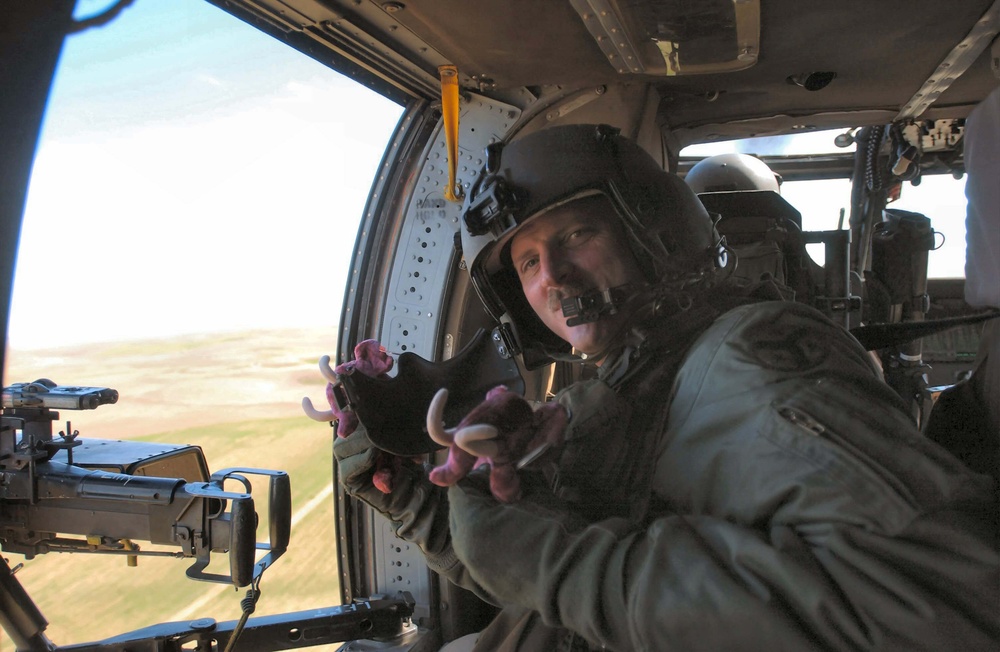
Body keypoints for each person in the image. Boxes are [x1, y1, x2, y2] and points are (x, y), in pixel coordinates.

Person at [331, 124, 999, 651]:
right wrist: (418, 502)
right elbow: (566, 590)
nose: (552, 276)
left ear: (656, 228)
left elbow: (943, 610)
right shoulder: (630, 379)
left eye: (576, 234)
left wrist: (559, 565)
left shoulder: (749, 362)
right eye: (528, 261)